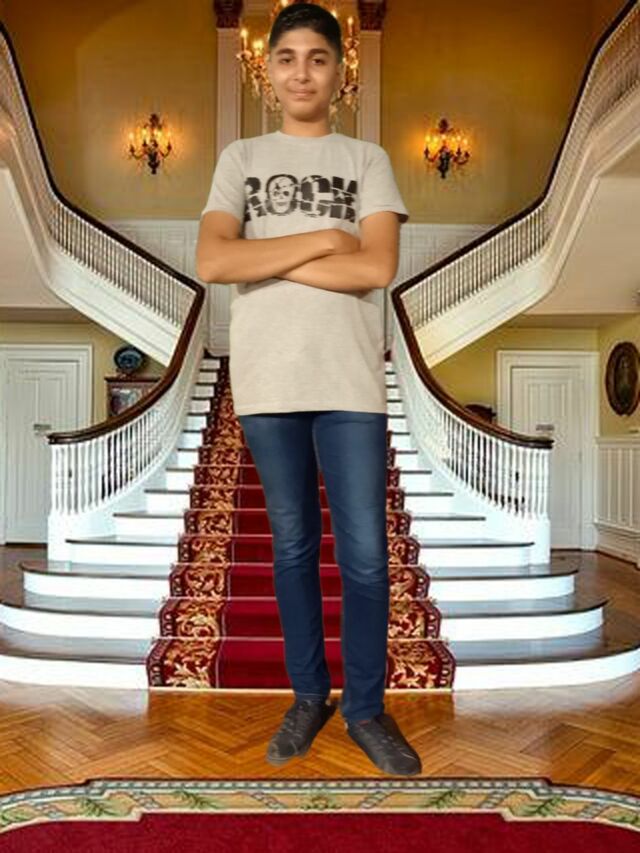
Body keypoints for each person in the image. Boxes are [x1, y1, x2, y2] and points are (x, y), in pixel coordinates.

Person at [195, 1, 421, 777]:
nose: (302, 72)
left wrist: (267, 256)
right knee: (291, 548)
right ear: (267, 71)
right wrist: (327, 238)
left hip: (350, 380)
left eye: (318, 58)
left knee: (365, 556)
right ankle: (307, 697)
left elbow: (376, 267)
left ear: (340, 71)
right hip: (268, 380)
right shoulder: (240, 158)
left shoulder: (368, 159)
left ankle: (365, 708)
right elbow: (214, 261)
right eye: (287, 57)